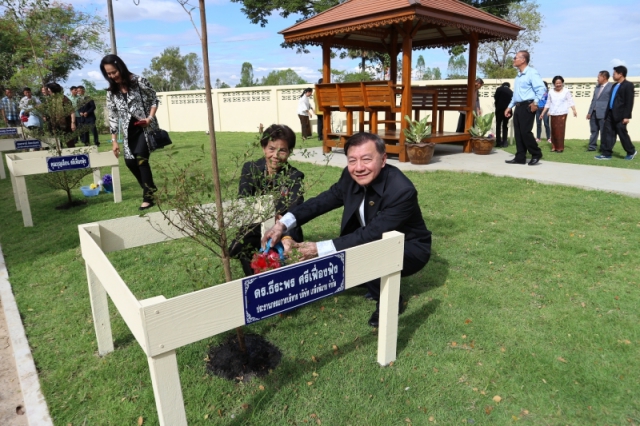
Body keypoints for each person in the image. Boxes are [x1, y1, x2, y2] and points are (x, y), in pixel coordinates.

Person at [261, 132, 432, 327]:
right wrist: (283, 224)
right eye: (352, 160)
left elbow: (371, 234)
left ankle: (390, 301)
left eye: (366, 159)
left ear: (383, 159)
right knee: (355, 256)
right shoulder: (350, 177)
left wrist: (318, 249)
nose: (359, 167)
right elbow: (323, 201)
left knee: (366, 254)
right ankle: (371, 280)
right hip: (375, 238)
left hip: (410, 247)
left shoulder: (402, 190)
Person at [229, 124, 305, 276]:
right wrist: (270, 214)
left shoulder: (294, 176)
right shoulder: (250, 169)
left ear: (289, 152)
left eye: (282, 150)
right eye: (271, 148)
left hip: (283, 227)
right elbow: (244, 200)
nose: (275, 155)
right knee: (241, 249)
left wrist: (282, 224)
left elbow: (294, 207)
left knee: (282, 253)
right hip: (254, 225)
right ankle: (253, 281)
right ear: (264, 148)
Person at [100, 54, 160, 210]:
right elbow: (113, 116)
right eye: (108, 74)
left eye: (114, 72)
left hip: (144, 128)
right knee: (130, 162)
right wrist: (114, 140)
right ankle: (150, 188)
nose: (112, 76)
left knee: (141, 160)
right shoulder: (111, 91)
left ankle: (148, 197)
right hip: (128, 131)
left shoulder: (139, 81)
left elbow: (154, 99)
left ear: (120, 67)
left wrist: (150, 118)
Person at [504, 50, 546, 166]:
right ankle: (520, 157)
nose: (513, 60)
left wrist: (535, 103)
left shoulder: (532, 73)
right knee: (518, 133)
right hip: (518, 106)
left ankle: (536, 153)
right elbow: (516, 95)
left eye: (515, 58)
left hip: (528, 106)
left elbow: (541, 89)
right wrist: (509, 107)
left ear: (523, 60)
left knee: (525, 132)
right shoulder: (518, 76)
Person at [596, 65, 636, 161]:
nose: (613, 75)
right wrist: (606, 115)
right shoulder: (614, 85)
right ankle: (607, 153)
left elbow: (629, 102)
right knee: (609, 134)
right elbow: (610, 101)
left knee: (622, 134)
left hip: (621, 115)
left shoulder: (628, 85)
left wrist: (626, 116)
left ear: (620, 74)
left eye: (614, 74)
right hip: (610, 114)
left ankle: (631, 151)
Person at [539, 76, 577, 153]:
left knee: (560, 130)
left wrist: (574, 110)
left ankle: (560, 147)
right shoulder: (551, 92)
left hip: (562, 113)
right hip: (553, 113)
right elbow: (548, 103)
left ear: (562, 83)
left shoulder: (566, 91)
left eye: (560, 83)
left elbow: (570, 101)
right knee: (553, 130)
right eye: (556, 83)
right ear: (554, 84)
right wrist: (542, 113)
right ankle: (554, 147)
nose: (558, 85)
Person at [43, 82, 77, 148]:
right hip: (54, 125)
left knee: (70, 143)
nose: (48, 92)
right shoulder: (50, 100)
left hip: (66, 124)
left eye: (49, 90)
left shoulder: (64, 99)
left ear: (53, 90)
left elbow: (72, 112)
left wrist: (73, 123)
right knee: (57, 144)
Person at [586, 71, 612, 152]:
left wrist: (609, 113)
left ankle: (603, 147)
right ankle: (592, 146)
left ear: (604, 77)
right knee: (594, 130)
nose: (597, 79)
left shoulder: (611, 87)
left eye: (598, 77)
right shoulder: (597, 87)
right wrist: (589, 112)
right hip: (594, 113)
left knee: (604, 131)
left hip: (604, 113)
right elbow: (594, 100)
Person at [493, 82, 513, 148]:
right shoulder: (511, 91)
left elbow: (496, 98)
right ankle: (505, 142)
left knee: (498, 125)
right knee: (505, 125)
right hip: (508, 110)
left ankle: (498, 142)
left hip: (499, 110)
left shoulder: (499, 89)